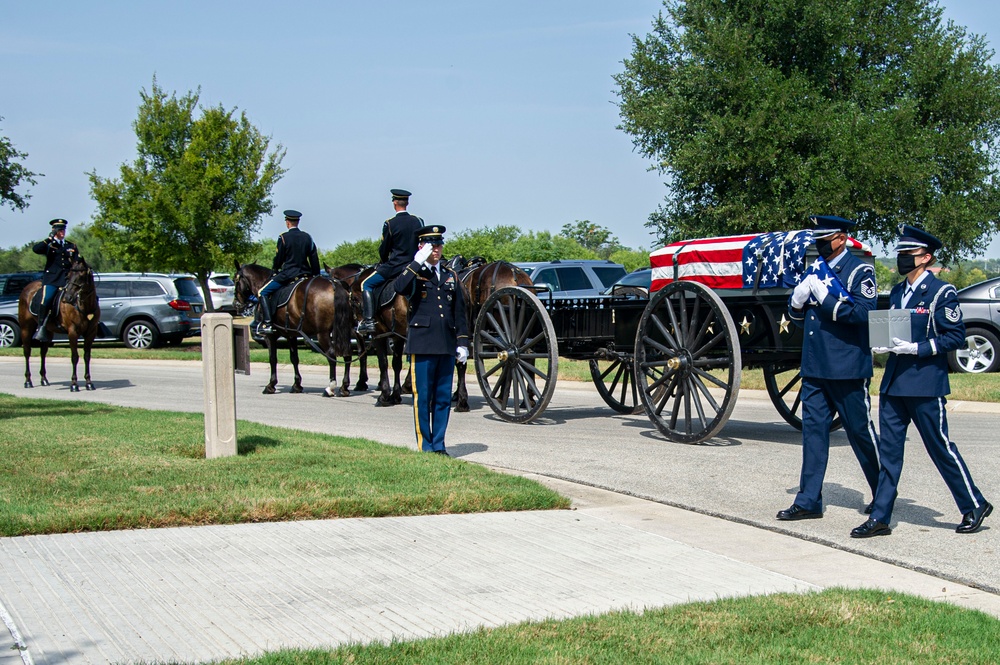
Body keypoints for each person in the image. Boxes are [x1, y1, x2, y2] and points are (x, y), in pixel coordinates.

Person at [852, 225, 992, 538]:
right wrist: (883, 343)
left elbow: (955, 337)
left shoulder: (942, 292)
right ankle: (881, 516)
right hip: (894, 383)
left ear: (925, 257)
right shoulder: (900, 291)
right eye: (900, 253)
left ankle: (974, 504)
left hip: (925, 383)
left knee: (939, 448)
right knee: (889, 453)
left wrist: (918, 348)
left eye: (908, 254)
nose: (902, 259)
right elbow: (893, 329)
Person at [777, 215, 881, 522]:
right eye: (818, 240)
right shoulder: (815, 270)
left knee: (860, 433)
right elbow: (801, 319)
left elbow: (863, 314)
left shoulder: (859, 271)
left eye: (825, 239)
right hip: (815, 366)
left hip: (847, 367)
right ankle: (809, 499)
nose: (820, 245)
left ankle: (883, 492)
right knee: (813, 434)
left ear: (842, 238)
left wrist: (826, 299)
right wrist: (795, 305)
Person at [393, 225, 469, 455]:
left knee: (443, 399)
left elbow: (459, 312)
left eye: (438, 245)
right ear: (422, 247)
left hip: (445, 343)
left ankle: (439, 445)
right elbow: (400, 287)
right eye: (431, 246)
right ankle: (425, 446)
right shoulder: (415, 273)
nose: (436, 250)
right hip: (423, 343)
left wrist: (463, 342)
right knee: (423, 398)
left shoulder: (450, 276)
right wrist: (416, 263)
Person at [357, 188, 422, 334]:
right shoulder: (418, 221)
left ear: (394, 203)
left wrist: (384, 261)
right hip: (415, 265)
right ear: (407, 202)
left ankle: (368, 321)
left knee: (366, 284)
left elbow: (384, 249)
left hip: (396, 266)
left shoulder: (390, 224)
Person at [256, 209, 320, 335]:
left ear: (287, 223)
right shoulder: (308, 237)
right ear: (298, 221)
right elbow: (314, 258)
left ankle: (268, 323)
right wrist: (315, 275)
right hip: (306, 274)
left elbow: (279, 258)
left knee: (262, 292)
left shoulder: (283, 237)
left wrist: (275, 270)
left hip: (288, 275)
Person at [31, 218, 82, 342]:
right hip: (53, 279)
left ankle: (94, 323)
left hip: (68, 280)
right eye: (59, 230)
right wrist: (49, 239)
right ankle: (41, 327)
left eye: (63, 230)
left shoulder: (71, 246)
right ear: (54, 231)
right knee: (47, 299)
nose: (62, 232)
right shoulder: (49, 245)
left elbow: (77, 261)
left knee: (85, 295)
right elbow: (36, 249)